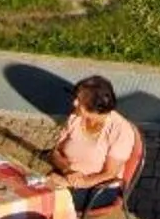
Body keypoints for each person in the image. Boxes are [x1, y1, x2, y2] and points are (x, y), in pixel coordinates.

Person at [45, 76, 140, 210]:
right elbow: (54, 153)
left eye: (79, 100)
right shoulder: (75, 118)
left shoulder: (120, 130)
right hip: (65, 177)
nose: (74, 103)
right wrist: (67, 171)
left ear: (94, 106)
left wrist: (74, 183)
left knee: (49, 201)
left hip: (98, 189)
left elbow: (109, 173)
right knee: (33, 190)